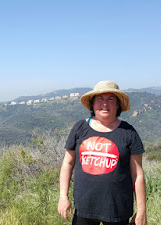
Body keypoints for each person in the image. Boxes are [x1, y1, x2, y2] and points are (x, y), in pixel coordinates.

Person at [58, 81, 147, 225]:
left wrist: (142, 211)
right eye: (100, 99)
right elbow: (67, 163)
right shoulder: (80, 128)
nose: (105, 104)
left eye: (110, 99)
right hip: (84, 207)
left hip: (117, 209)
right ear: (93, 104)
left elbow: (137, 174)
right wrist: (63, 197)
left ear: (117, 105)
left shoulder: (129, 133)